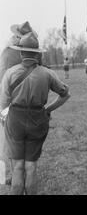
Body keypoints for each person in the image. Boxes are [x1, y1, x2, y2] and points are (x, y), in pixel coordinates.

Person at [0, 32, 70, 195]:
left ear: (21, 52)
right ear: (37, 53)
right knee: (31, 167)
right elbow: (65, 94)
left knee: (17, 166)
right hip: (38, 120)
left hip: (15, 119)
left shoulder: (10, 73)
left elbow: (3, 104)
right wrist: (48, 109)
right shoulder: (47, 73)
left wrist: (5, 121)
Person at [0, 21, 38, 186]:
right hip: (31, 103)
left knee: (9, 141)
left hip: (10, 102)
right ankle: (24, 174)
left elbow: (3, 78)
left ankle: (15, 174)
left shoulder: (8, 52)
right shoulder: (35, 54)